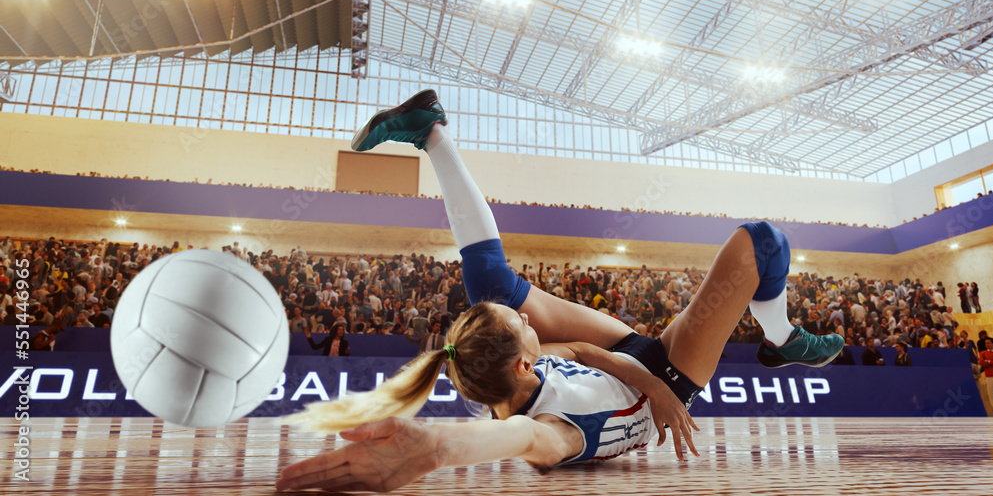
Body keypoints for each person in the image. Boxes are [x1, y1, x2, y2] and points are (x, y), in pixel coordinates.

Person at [276, 90, 844, 492]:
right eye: (525, 328)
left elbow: (578, 353)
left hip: (629, 369)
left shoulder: (493, 376)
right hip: (670, 374)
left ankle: (430, 131)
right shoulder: (555, 435)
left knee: (494, 286)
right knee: (762, 243)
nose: (532, 321)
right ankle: (782, 335)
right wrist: (438, 449)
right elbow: (524, 438)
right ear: (526, 363)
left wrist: (633, 374)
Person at [979, 338, 993, 417]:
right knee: (990, 394)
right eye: (985, 343)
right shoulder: (982, 353)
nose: (986, 344)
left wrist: (989, 361)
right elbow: (982, 363)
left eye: (988, 343)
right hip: (989, 376)